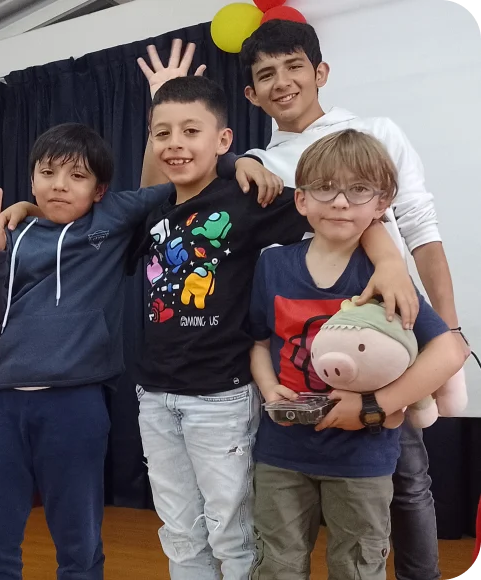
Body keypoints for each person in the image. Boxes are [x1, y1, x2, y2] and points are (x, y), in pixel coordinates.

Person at [140, 30, 461, 578]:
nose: (282, 81)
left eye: (294, 67)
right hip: (295, 357)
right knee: (285, 516)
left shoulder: (375, 131)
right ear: (251, 94)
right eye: (266, 74)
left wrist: (394, 271)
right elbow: (162, 195)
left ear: (321, 72)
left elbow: (412, 225)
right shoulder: (256, 163)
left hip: (380, 332)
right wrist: (198, 129)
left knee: (403, 486)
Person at [248, 129, 467, 580]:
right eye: (325, 188)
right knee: (278, 565)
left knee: (357, 567)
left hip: (362, 459)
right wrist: (270, 387)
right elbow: (258, 340)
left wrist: (371, 406)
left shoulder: (383, 274)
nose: (341, 202)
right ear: (302, 200)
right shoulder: (272, 265)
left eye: (359, 189)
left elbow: (449, 350)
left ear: (381, 203)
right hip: (281, 453)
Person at [0, 123, 175, 580]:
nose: (59, 185)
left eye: (76, 176)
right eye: (47, 172)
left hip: (75, 402)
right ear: (32, 178)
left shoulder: (112, 220)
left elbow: (164, 186)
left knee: (77, 535)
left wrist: (237, 161)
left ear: (99, 190)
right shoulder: (8, 233)